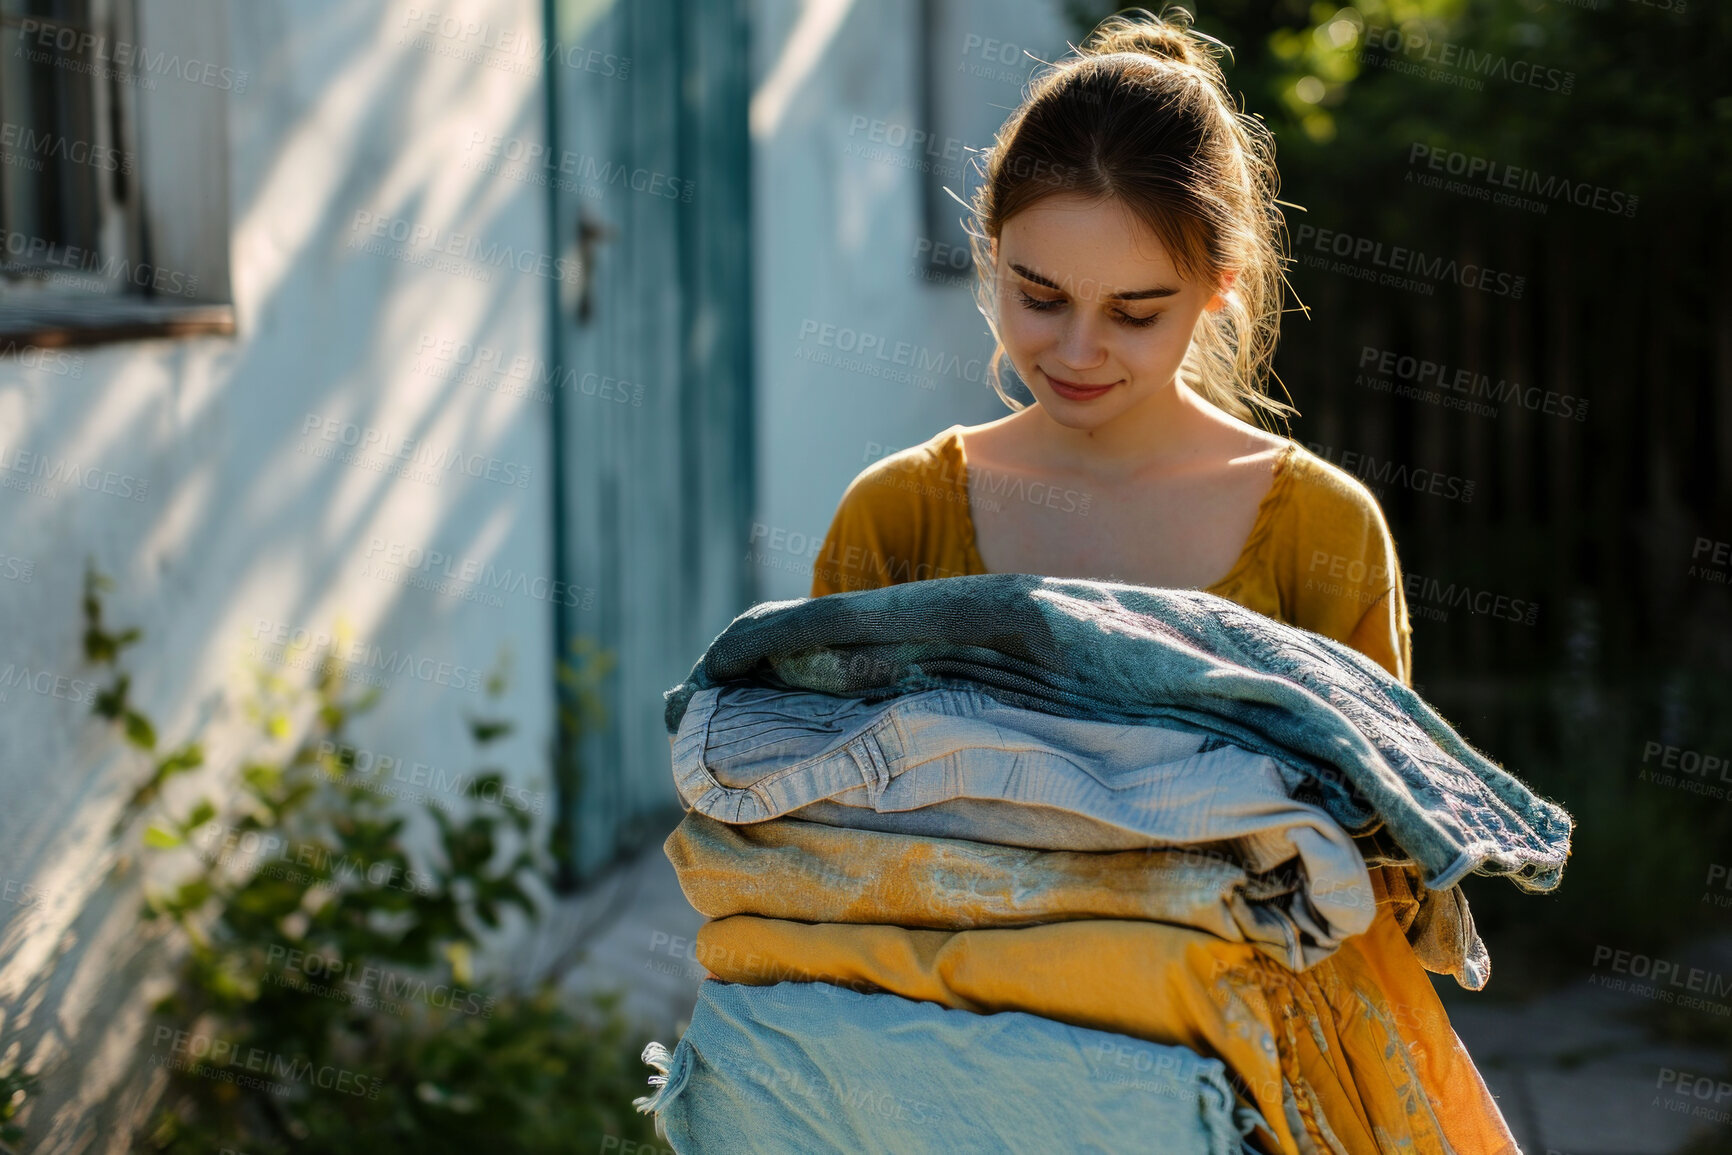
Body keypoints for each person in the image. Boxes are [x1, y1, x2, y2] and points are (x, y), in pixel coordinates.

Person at [802, 6, 1517, 1152]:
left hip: (1250, 1092)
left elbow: (1368, 875)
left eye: (1136, 313)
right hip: (944, 1085)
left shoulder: (1320, 528)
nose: (1077, 351)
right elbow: (814, 834)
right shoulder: (894, 516)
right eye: (1038, 296)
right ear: (989, 254)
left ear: (1220, 287)